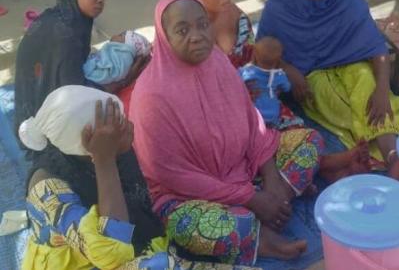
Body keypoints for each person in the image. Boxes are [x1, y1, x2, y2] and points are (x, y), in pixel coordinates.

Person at [129, 0, 365, 265]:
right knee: (192, 226)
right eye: (182, 30)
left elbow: (253, 124)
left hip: (244, 173)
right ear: (164, 36)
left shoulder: (217, 62)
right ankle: (261, 236)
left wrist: (273, 183)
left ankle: (277, 204)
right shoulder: (151, 95)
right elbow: (171, 176)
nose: (197, 35)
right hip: (190, 197)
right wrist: (251, 197)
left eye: (203, 24)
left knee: (309, 141)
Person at [19, 85, 239, 270]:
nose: (128, 127)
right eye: (115, 127)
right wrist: (105, 161)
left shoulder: (113, 148)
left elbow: (142, 204)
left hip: (141, 246)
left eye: (120, 118)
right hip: (91, 263)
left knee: (212, 224)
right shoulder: (46, 188)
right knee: (158, 265)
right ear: (90, 146)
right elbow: (112, 251)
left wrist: (109, 155)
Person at [257, 0, 399, 180]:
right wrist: (288, 68)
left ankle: (392, 156)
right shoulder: (278, 9)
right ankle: (380, 152)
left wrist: (383, 89)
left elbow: (375, 46)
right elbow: (262, 52)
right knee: (338, 100)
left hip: (353, 62)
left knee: (367, 87)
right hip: (312, 74)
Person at [13, 0, 148, 139]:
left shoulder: (59, 18)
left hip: (30, 105)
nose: (100, 0)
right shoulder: (65, 34)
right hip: (42, 125)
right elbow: (75, 95)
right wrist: (124, 80)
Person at [239, 37, 304, 131]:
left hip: (254, 113)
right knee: (298, 122)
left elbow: (236, 79)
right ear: (278, 60)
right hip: (273, 114)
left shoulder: (246, 72)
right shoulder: (279, 75)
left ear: (255, 55)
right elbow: (287, 88)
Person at [83, 30, 151, 85]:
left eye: (120, 35)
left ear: (125, 42)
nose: (115, 35)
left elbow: (119, 71)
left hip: (95, 75)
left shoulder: (125, 56)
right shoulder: (116, 51)